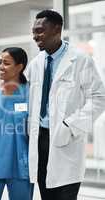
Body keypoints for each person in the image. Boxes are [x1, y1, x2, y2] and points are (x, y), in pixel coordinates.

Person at [26, 10, 105, 200]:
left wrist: (71, 125)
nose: (35, 36)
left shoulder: (80, 60)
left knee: (66, 195)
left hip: (66, 138)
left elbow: (99, 97)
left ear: (57, 29)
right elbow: (26, 96)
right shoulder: (36, 63)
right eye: (34, 31)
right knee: (46, 194)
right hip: (40, 139)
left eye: (40, 31)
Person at [0, 47, 33, 200]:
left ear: (19, 67)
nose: (0, 66)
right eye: (0, 62)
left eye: (6, 63)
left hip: (21, 165)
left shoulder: (31, 93)